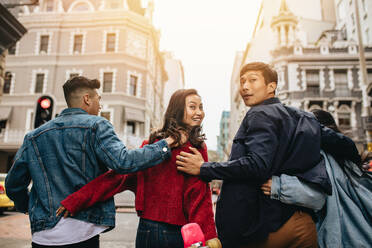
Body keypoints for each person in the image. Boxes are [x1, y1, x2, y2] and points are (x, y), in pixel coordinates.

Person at [176, 62, 356, 248]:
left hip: (266, 230)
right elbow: (347, 145)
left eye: (252, 80)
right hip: (303, 224)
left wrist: (204, 168)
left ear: (271, 86)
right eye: (242, 81)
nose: (244, 86)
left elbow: (257, 165)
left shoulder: (259, 113)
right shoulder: (302, 117)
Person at [5, 76, 177, 248]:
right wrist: (164, 146)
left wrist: (28, 206)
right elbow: (123, 162)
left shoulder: (34, 137)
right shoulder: (97, 125)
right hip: (81, 232)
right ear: (87, 99)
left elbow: (13, 184)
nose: (100, 105)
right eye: (98, 99)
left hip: (42, 236)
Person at [56, 89, 220, 248]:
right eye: (192, 107)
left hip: (146, 231)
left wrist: (76, 200)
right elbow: (199, 197)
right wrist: (209, 236)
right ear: (178, 110)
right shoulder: (195, 148)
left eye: (201, 107)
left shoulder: (151, 144)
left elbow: (116, 179)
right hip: (177, 232)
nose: (199, 112)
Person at [261, 109, 372, 248]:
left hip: (343, 237)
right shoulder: (342, 154)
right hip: (362, 233)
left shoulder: (320, 154)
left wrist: (278, 186)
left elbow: (317, 196)